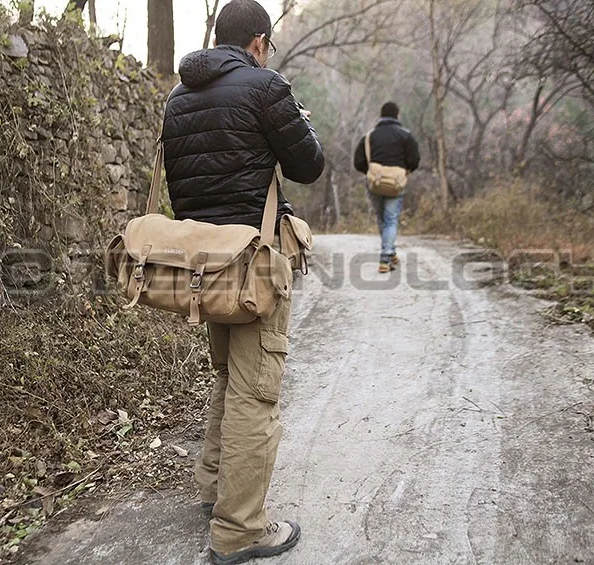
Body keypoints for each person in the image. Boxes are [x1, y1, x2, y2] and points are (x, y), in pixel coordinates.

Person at [161, 1, 325, 563]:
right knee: (257, 390)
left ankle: (214, 491)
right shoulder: (266, 88)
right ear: (259, 42)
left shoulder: (178, 97)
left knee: (230, 377)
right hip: (256, 264)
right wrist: (294, 113)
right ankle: (240, 529)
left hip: (205, 265)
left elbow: (181, 185)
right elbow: (309, 165)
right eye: (268, 47)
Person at [353, 102, 420, 273]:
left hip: (375, 183)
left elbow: (359, 162)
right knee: (391, 219)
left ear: (381, 115)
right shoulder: (405, 136)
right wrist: (404, 171)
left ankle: (390, 252)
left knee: (382, 218)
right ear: (397, 115)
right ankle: (385, 258)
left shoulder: (369, 137)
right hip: (396, 184)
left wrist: (371, 172)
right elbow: (414, 160)